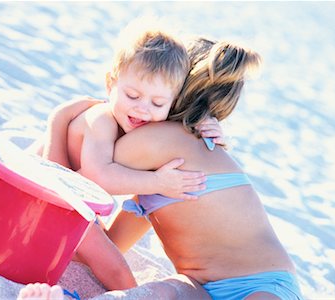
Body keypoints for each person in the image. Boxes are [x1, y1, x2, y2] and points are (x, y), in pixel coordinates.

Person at [18, 37, 304, 300]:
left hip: (260, 286)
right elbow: (110, 245)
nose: (144, 106)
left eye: (157, 99)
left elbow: (66, 177)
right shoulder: (158, 176)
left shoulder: (163, 141)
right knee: (160, 291)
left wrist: (62, 118)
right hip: (198, 286)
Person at [27, 18, 225, 292]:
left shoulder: (144, 125)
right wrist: (159, 183)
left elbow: (178, 134)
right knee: (115, 267)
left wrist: (207, 126)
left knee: (101, 251)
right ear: (111, 84)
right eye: (132, 95)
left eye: (158, 103)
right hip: (33, 194)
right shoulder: (102, 119)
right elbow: (98, 174)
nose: (143, 109)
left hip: (67, 199)